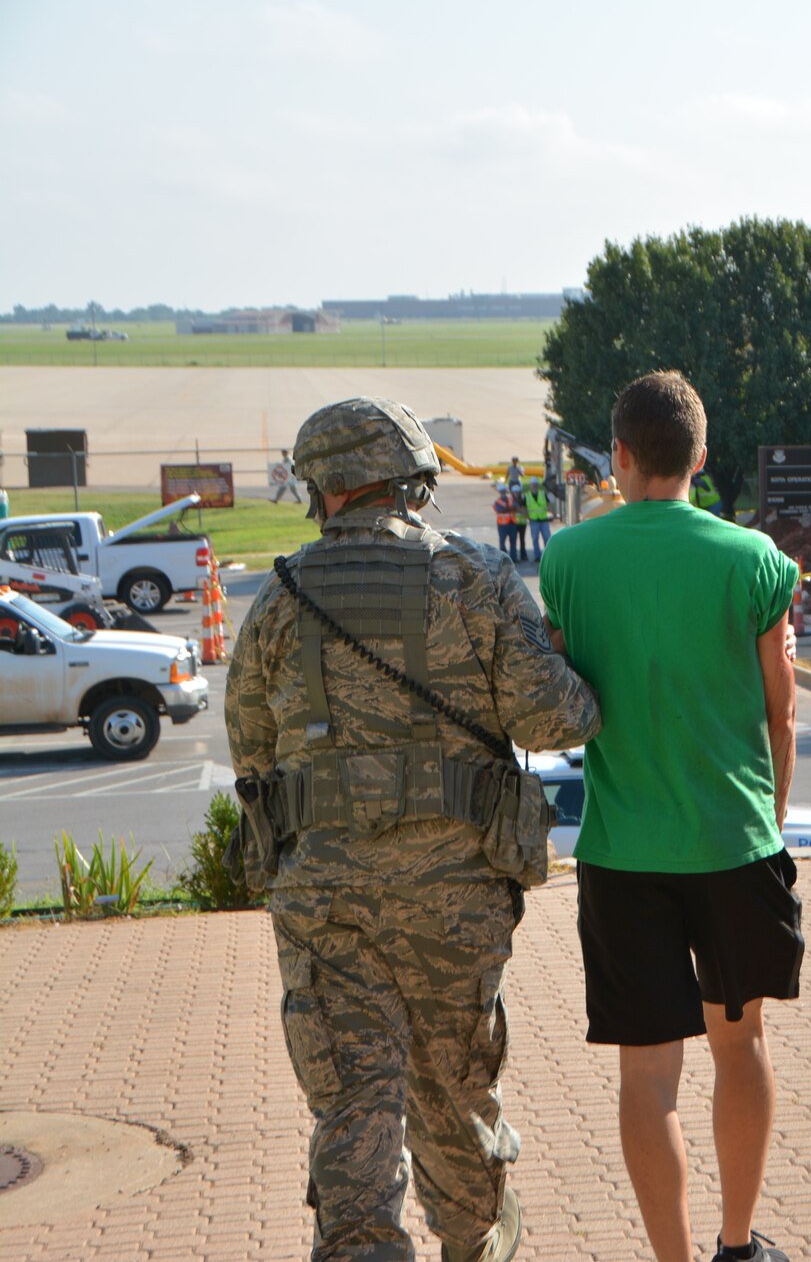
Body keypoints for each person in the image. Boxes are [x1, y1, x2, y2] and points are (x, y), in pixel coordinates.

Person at [224, 396, 602, 1262]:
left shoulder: (279, 599)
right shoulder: (472, 580)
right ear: (414, 478)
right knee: (450, 1089)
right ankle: (473, 1239)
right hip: (454, 900)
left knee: (355, 1103)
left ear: (325, 488)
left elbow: (251, 749)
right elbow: (559, 719)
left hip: (325, 901)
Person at [538, 370, 801, 1262]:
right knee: (742, 1042)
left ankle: (674, 1260)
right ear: (699, 455)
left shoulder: (567, 560)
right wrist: (773, 816)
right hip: (734, 843)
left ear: (617, 457)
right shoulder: (755, 559)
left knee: (648, 1071)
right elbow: (783, 711)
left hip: (622, 852)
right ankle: (737, 1245)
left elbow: (563, 692)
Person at [522, 476, 552, 562]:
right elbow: (523, 507)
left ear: (537, 485)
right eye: (533, 485)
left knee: (547, 538)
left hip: (543, 520)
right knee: (535, 539)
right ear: (530, 486)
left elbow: (549, 504)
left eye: (535, 485)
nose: (534, 486)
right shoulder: (527, 496)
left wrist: (549, 514)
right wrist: (528, 517)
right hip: (534, 521)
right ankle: (537, 556)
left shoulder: (542, 494)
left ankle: (548, 555)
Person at [492, 485, 519, 563]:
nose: (503, 492)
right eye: (501, 491)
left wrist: (507, 509)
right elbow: (499, 510)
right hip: (502, 524)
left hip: (512, 523)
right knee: (502, 542)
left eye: (504, 490)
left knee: (513, 542)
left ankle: (513, 558)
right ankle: (503, 559)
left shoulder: (511, 499)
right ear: (499, 492)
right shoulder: (497, 502)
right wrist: (510, 509)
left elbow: (516, 507)